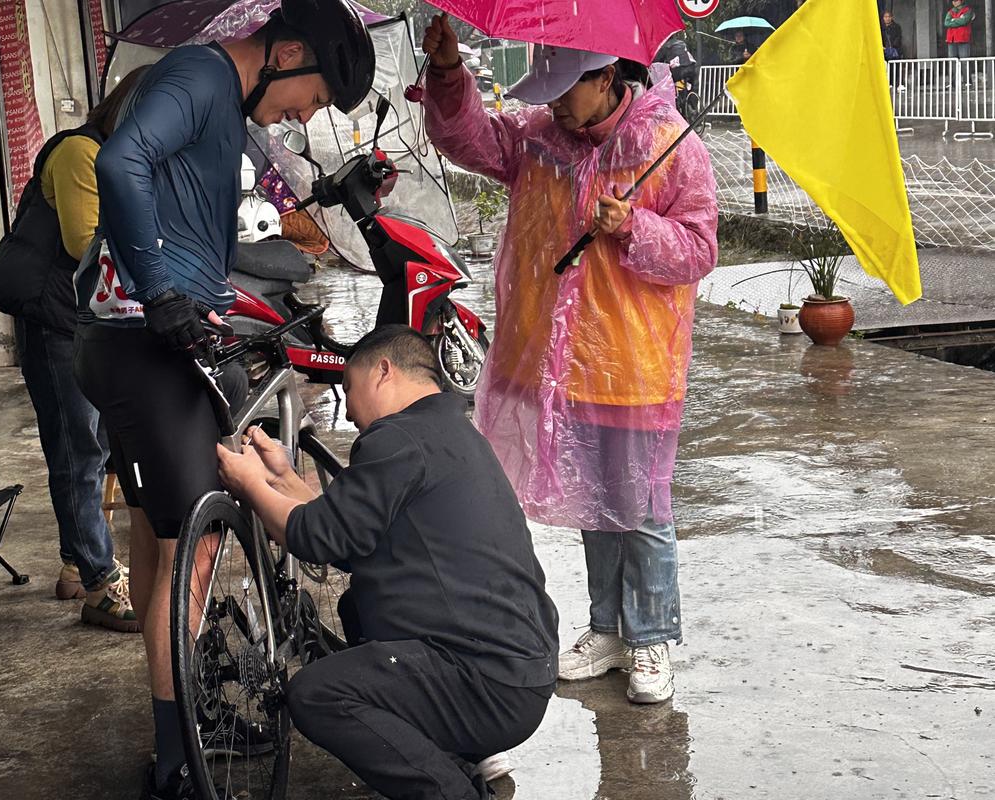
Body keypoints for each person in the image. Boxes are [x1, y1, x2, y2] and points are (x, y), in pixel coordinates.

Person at [70, 2, 375, 797]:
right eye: (312, 96)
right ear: (290, 50)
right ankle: (178, 758)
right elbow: (119, 162)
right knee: (192, 551)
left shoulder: (219, 99)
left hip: (140, 339)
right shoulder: (201, 73)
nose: (304, 114)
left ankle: (178, 719)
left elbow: (189, 206)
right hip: (146, 342)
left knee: (160, 538)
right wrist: (163, 288)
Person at [421, 16, 718, 705]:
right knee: (594, 500)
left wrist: (635, 227)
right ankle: (608, 629)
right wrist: (446, 75)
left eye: (563, 89)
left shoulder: (669, 146)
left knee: (640, 505)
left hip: (634, 361)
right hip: (558, 362)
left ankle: (650, 638)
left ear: (607, 77)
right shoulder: (538, 139)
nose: (551, 103)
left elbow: (698, 249)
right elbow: (466, 138)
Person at [217, 326, 559, 800]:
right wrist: (282, 477)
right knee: (359, 606)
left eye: (350, 391)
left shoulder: (398, 438)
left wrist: (250, 485)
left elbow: (315, 537)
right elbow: (348, 532)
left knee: (317, 694)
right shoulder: (448, 433)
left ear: (383, 372)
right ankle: (449, 753)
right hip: (517, 672)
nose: (351, 411)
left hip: (487, 684)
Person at [0, 67, 150, 632]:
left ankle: (75, 565)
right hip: (57, 322)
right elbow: (86, 241)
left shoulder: (112, 157)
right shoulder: (81, 152)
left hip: (79, 319)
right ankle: (102, 585)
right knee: (79, 453)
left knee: (89, 448)